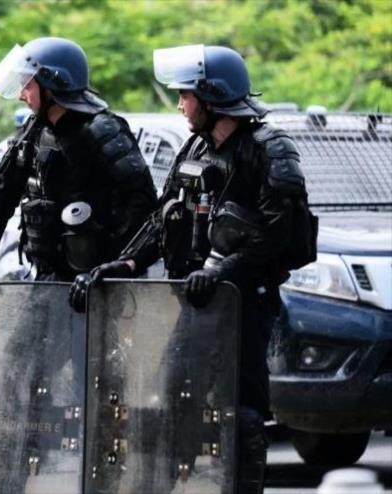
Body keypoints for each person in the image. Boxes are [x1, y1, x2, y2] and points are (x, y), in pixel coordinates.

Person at [72, 44, 312, 493]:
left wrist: (224, 271)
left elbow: (278, 234)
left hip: (244, 305)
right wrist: (124, 261)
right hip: (193, 300)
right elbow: (164, 217)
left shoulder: (267, 149)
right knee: (171, 399)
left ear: (211, 96)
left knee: (240, 410)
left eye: (185, 96)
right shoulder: (197, 145)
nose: (180, 105)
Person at [0, 37, 157, 322]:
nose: (21, 94)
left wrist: (115, 266)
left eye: (27, 84)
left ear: (52, 85)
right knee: (25, 363)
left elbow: (144, 204)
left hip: (98, 287)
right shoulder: (33, 132)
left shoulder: (103, 129)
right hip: (46, 281)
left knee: (96, 367)